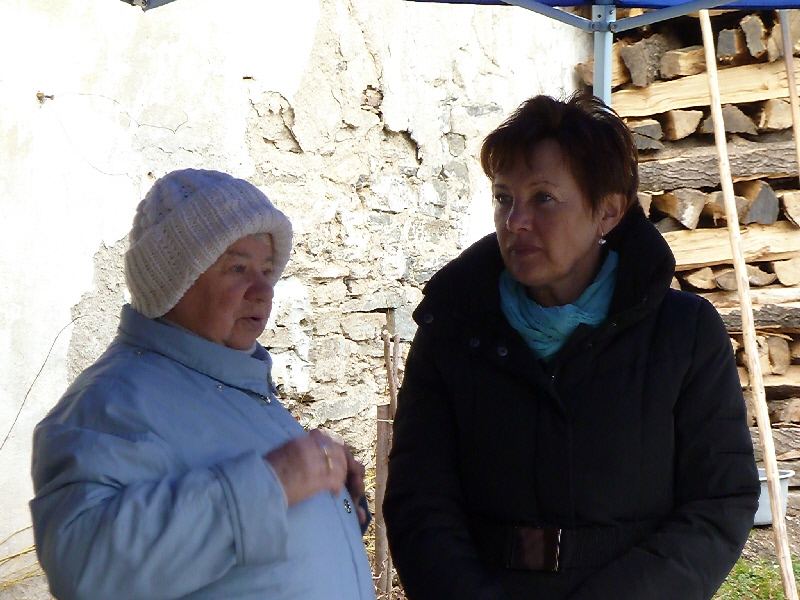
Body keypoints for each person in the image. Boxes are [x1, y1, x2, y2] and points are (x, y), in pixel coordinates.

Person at [383, 93, 759, 600]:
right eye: (504, 198)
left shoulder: (683, 335)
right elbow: (419, 500)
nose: (515, 221)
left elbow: (720, 500)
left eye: (543, 198)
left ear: (608, 212)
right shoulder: (453, 328)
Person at [30, 169, 377, 600]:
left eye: (266, 269)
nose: (264, 290)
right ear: (174, 282)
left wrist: (332, 508)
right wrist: (277, 481)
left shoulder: (231, 383)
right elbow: (84, 566)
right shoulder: (112, 400)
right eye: (238, 267)